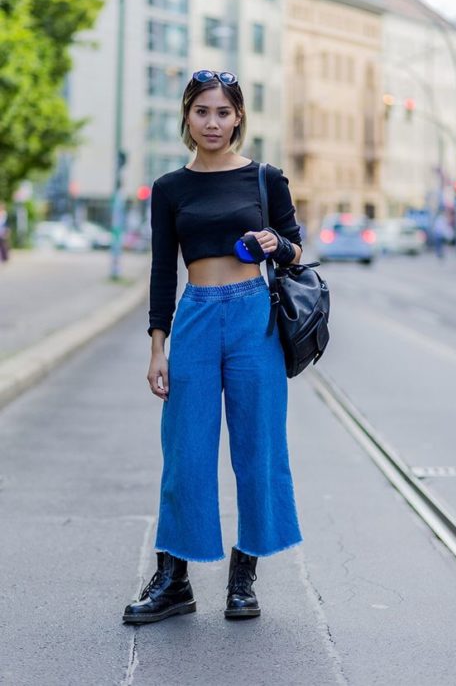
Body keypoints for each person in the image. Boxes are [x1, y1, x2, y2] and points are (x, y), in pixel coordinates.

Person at [123, 70, 303, 624]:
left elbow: (298, 251)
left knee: (258, 448)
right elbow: (161, 272)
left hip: (255, 318)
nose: (213, 123)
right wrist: (158, 346)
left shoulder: (265, 179)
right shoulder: (170, 189)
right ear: (187, 117)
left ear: (239, 117)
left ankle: (243, 578)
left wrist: (279, 245)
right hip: (197, 317)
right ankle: (174, 580)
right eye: (202, 111)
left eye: (223, 112)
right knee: (185, 453)